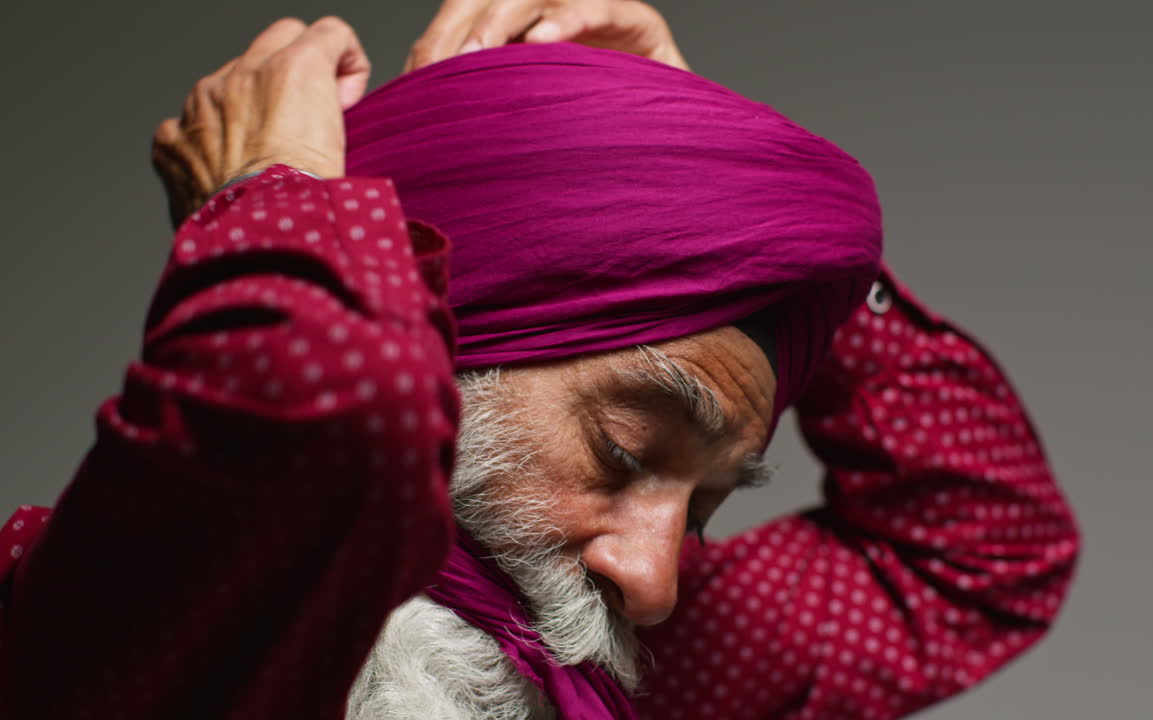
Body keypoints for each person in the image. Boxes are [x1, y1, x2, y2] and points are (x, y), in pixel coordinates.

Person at [0, 3, 1080, 719]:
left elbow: (976, 557)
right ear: (443, 335)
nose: (653, 582)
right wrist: (269, 197)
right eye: (621, 449)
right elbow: (342, 422)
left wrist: (753, 230)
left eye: (700, 506)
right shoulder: (133, 606)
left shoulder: (593, 652)